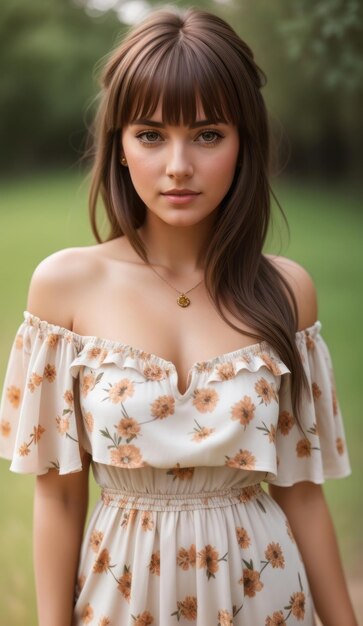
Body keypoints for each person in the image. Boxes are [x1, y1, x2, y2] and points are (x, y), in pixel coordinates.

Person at [0, 7, 358, 626]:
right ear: (118, 146)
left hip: (267, 597)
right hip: (124, 602)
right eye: (150, 134)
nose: (178, 166)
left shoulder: (286, 292)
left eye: (208, 134)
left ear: (244, 141)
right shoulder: (65, 288)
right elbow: (58, 497)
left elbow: (301, 493)